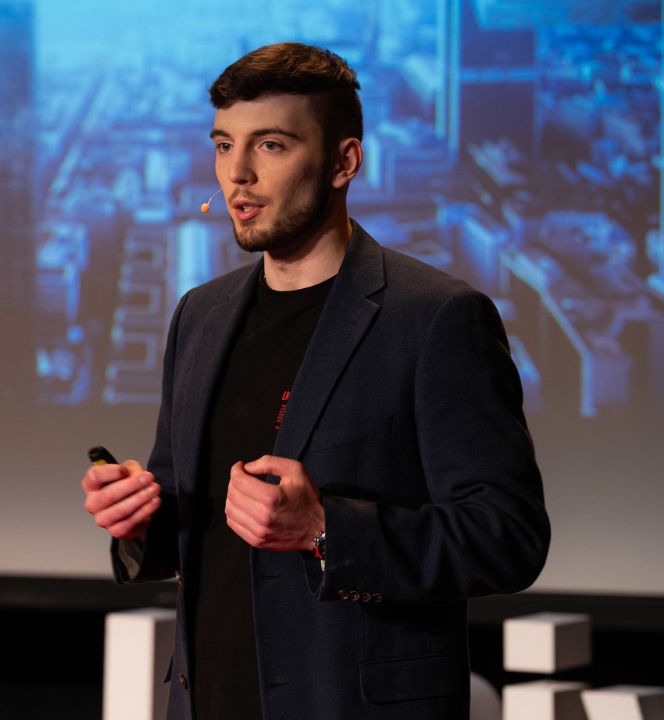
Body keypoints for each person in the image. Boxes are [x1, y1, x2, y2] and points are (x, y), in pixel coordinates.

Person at [80, 42, 550, 720]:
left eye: (270, 146)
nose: (236, 174)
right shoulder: (200, 317)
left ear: (343, 161)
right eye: (222, 145)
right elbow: (193, 524)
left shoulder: (436, 318)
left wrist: (327, 528)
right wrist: (138, 520)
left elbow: (509, 537)